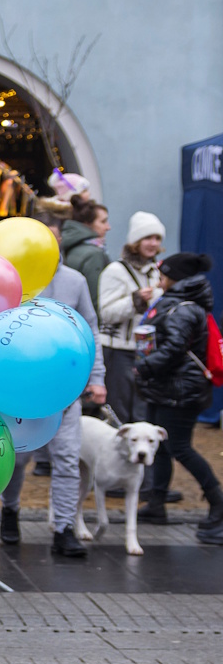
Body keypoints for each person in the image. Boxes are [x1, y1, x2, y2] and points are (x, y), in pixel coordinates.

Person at [0, 209, 107, 557]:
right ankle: (10, 509)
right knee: (16, 461)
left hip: (65, 389)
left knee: (67, 458)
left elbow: (91, 328)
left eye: (54, 235)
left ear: (59, 239)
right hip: (20, 389)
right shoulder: (9, 277)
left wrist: (97, 377)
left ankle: (64, 529)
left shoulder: (74, 280)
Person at [135, 252, 223, 541]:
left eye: (164, 274)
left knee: (180, 447)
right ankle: (157, 504)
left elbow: (173, 348)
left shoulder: (183, 308)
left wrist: (144, 367)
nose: (159, 278)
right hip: (166, 387)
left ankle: (219, 503)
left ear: (176, 278)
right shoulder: (174, 303)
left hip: (181, 389)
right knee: (161, 446)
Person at [98, 212, 165, 425]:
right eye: (147, 238)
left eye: (157, 238)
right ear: (135, 241)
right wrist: (134, 300)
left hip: (146, 352)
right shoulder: (115, 270)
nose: (153, 243)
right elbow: (106, 312)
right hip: (118, 352)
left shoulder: (157, 272)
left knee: (142, 411)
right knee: (119, 412)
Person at [59, 198, 110, 306]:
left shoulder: (67, 245)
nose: (108, 227)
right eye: (103, 221)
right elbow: (96, 300)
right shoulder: (93, 254)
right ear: (87, 224)